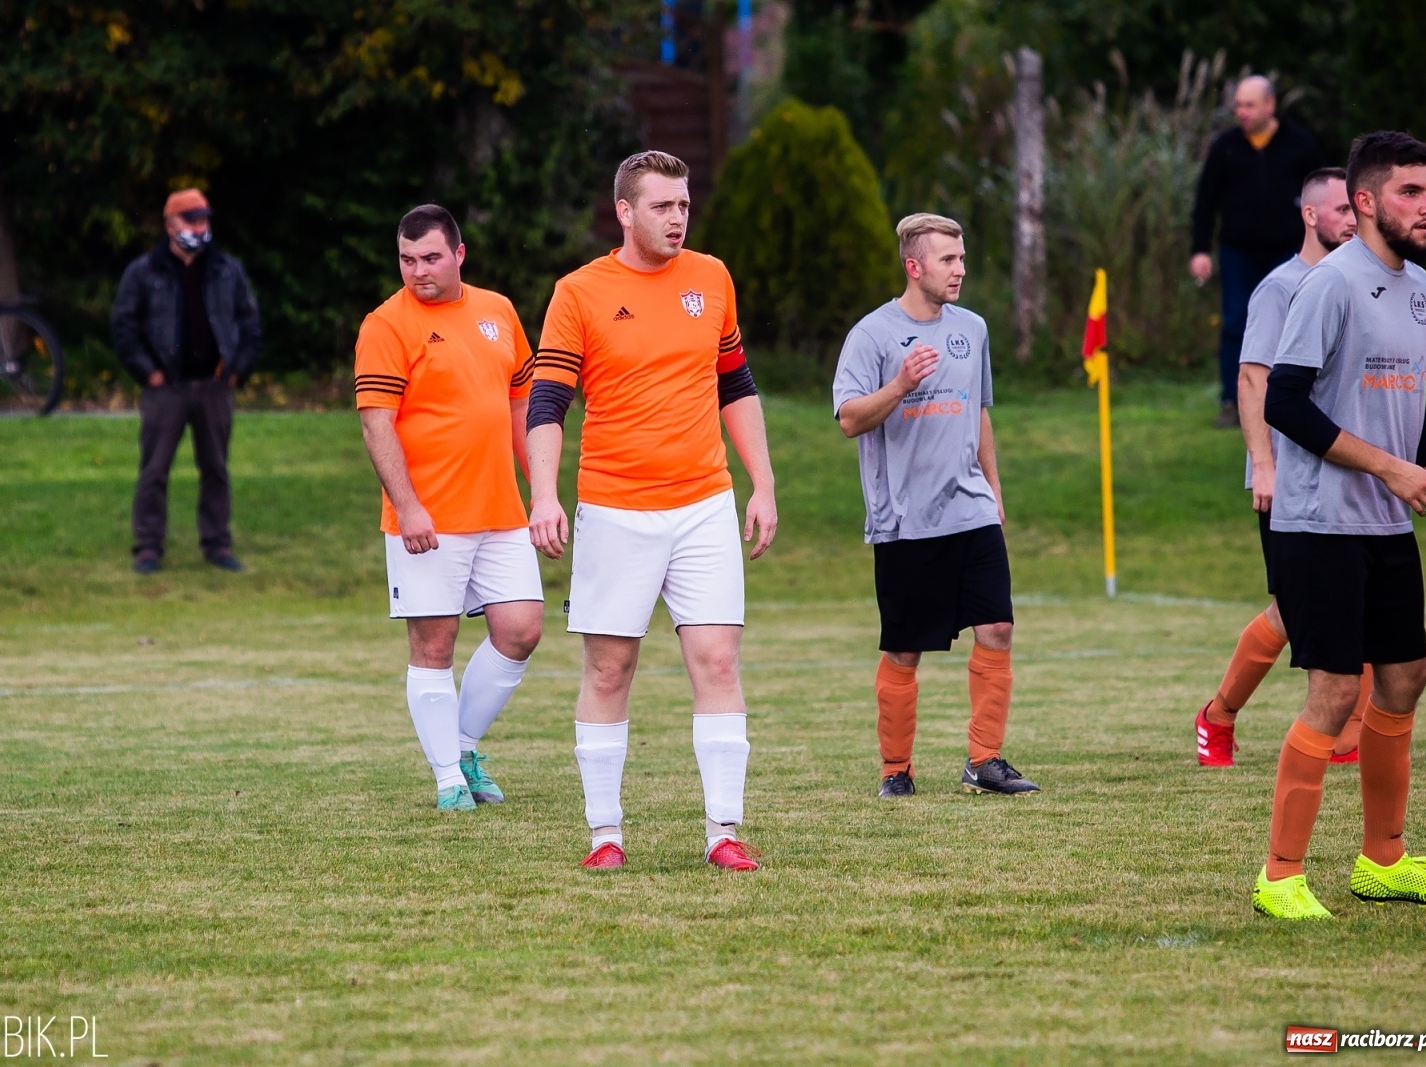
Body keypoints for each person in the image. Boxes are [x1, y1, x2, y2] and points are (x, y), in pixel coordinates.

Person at [526, 150, 778, 871]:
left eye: (684, 205)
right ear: (625, 212)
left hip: (704, 502)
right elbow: (548, 403)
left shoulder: (712, 277)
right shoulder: (578, 292)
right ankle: (605, 835)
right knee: (609, 670)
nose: (677, 218)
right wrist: (544, 494)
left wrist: (761, 481)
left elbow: (737, 383)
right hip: (615, 507)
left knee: (718, 658)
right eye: (662, 206)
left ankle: (724, 832)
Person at [1253, 131, 1426, 920]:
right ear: (1365, 201)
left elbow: (1407, 403)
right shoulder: (1330, 285)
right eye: (1411, 191)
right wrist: (1390, 469)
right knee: (1335, 691)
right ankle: (1279, 876)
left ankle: (1384, 859)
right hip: (1318, 524)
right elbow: (1285, 402)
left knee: (1405, 679)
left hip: (1386, 526)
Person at [832, 213, 1039, 800]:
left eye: (963, 257)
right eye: (948, 260)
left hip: (970, 508)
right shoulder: (871, 336)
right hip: (905, 520)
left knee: (997, 626)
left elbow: (979, 413)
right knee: (905, 647)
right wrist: (898, 385)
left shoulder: (970, 329)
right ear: (913, 266)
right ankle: (896, 770)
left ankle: (985, 759)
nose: (961, 270)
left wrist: (994, 490)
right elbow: (849, 420)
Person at [353, 205, 543, 813]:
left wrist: (542, 494)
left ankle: (460, 747)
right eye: (407, 260)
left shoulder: (498, 311)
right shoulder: (384, 325)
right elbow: (377, 425)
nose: (418, 272)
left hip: (502, 512)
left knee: (521, 630)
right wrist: (407, 506)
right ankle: (447, 781)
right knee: (433, 647)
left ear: (459, 254)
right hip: (427, 520)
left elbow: (521, 407)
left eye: (431, 258)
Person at [1195, 167, 1367, 767]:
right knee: (1294, 610)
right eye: (1340, 209)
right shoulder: (1281, 287)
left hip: (1352, 476)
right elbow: (1252, 378)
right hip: (1290, 477)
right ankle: (1217, 716)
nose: (1351, 218)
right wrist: (1262, 465)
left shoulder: (1364, 283)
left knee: (1360, 600)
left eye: (1356, 209)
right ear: (1310, 215)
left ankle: (1350, 739)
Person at [112, 188, 261, 574]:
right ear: (169, 224)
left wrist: (235, 370)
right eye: (192, 219)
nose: (200, 226)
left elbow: (249, 324)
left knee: (215, 469)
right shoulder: (144, 271)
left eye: (204, 219)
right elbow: (123, 328)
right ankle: (148, 546)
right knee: (154, 469)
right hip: (167, 389)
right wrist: (149, 373)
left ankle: (216, 544)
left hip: (214, 388)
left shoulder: (226, 270)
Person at [1190, 76, 1325, 429]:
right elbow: (1205, 201)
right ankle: (1232, 403)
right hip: (1239, 253)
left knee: (1294, 325)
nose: (1241, 112)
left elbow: (1323, 198)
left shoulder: (1299, 144)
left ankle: (1291, 399)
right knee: (1236, 323)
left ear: (1270, 105)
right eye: (1237, 105)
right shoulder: (1226, 147)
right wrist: (1200, 249)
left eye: (1249, 105)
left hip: (1289, 253)